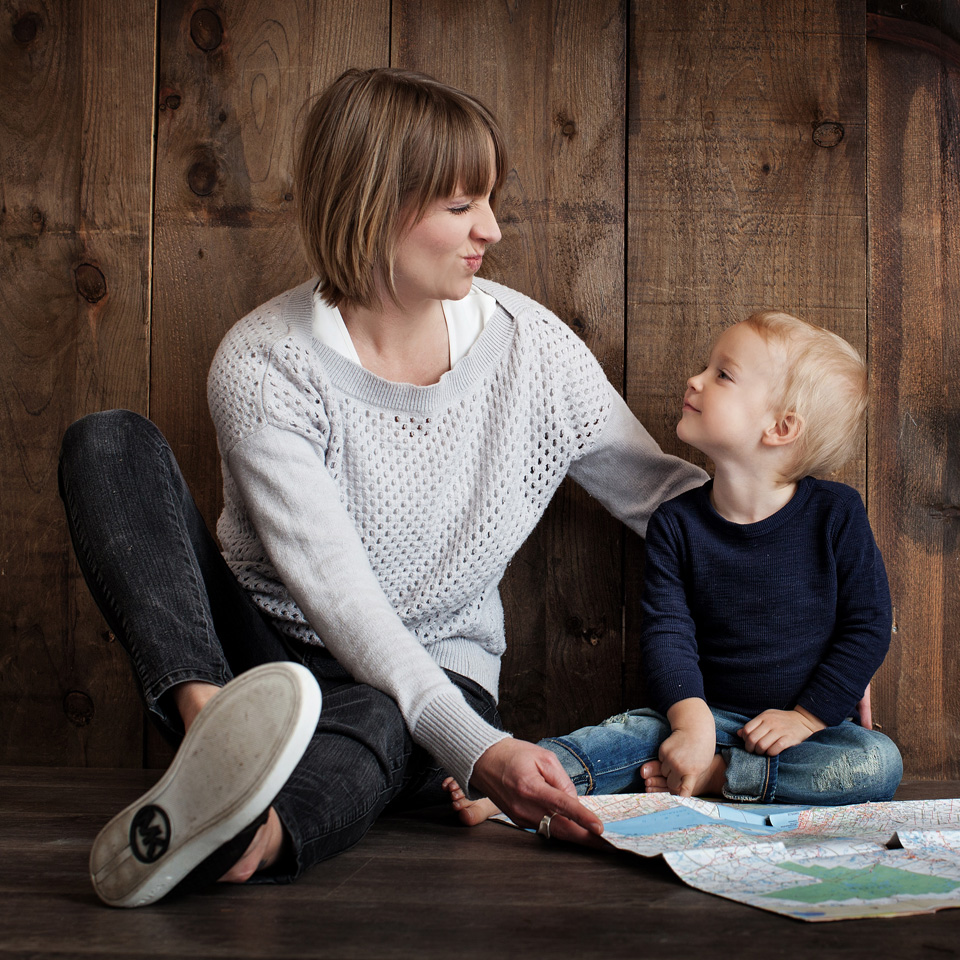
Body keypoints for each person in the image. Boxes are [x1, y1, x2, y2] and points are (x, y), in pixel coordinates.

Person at [57, 67, 706, 907]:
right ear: (375, 202)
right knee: (108, 442)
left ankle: (250, 835)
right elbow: (338, 595)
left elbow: (663, 498)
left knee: (378, 714)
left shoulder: (531, 350)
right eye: (461, 205)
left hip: (432, 674)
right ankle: (215, 736)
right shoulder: (265, 363)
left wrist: (812, 596)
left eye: (488, 201)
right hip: (259, 658)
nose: (493, 230)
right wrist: (479, 755)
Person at [446, 310, 902, 830]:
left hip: (803, 734)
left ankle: (720, 777)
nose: (696, 379)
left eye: (722, 375)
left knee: (876, 761)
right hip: (701, 713)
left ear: (781, 428)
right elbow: (668, 633)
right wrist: (690, 721)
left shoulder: (836, 514)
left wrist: (807, 717)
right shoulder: (677, 523)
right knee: (626, 735)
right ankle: (520, 783)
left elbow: (867, 625)